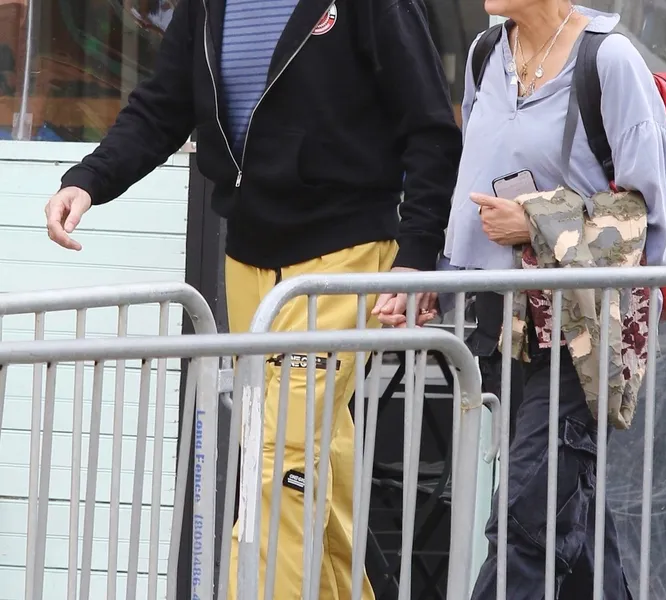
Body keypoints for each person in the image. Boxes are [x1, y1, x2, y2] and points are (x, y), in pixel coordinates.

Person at [43, 0, 462, 595]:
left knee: (280, 456)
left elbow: (429, 126)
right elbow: (163, 105)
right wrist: (89, 179)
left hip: (341, 256)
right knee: (315, 452)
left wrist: (417, 254)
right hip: (249, 258)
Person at [443, 2, 666, 598]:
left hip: (585, 329)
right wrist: (433, 280)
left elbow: (650, 219)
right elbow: (470, 186)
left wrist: (536, 223)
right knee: (562, 507)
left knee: (530, 513)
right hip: (507, 321)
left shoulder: (609, 60)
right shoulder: (485, 55)